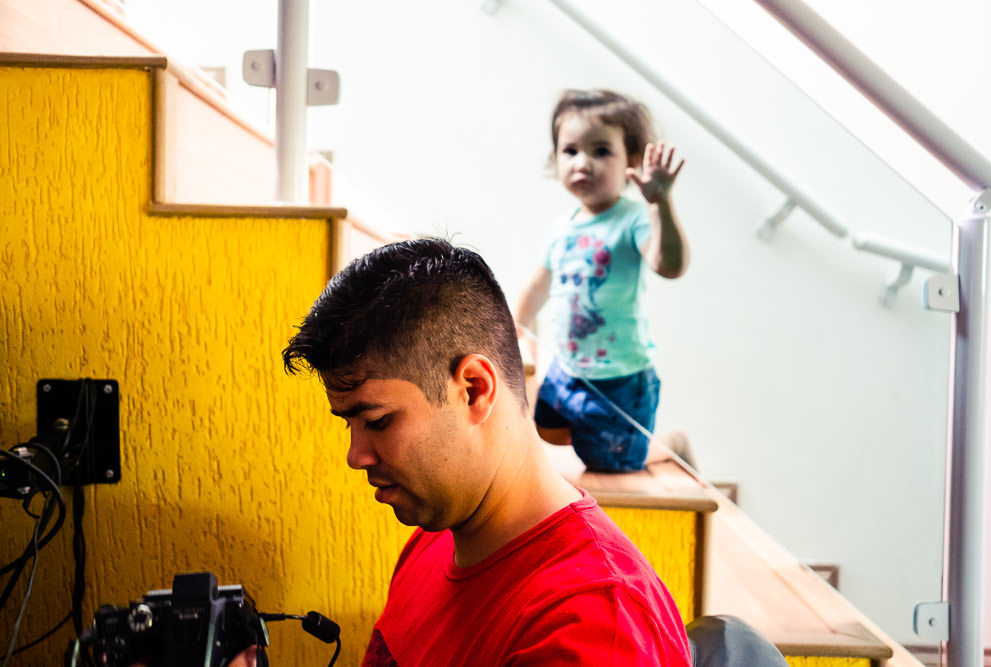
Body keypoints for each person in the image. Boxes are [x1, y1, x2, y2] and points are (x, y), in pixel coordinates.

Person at [282, 238, 692, 666]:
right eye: (349, 424)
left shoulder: (591, 626)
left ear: (475, 389)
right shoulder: (433, 539)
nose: (356, 455)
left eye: (379, 420)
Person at [514, 89, 691, 473]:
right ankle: (598, 434)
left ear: (630, 160)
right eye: (571, 151)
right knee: (545, 429)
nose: (583, 163)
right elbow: (539, 284)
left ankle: (670, 444)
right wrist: (515, 325)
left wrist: (660, 203)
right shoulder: (562, 227)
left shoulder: (632, 219)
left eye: (601, 151)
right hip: (568, 366)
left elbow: (668, 264)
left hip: (619, 378)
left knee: (613, 463)